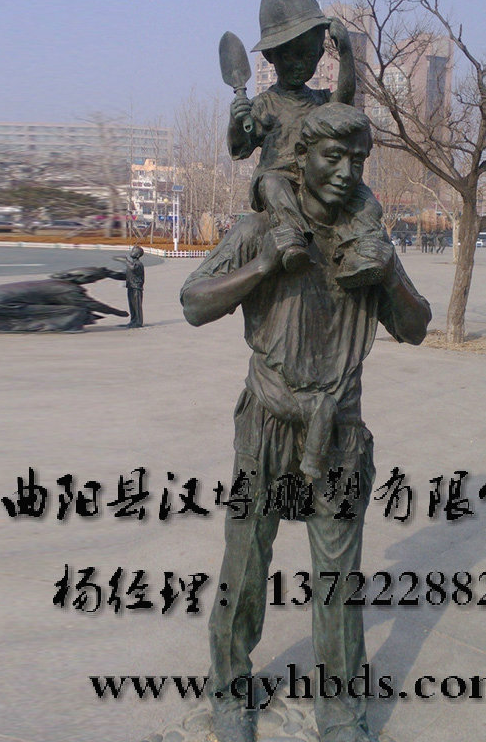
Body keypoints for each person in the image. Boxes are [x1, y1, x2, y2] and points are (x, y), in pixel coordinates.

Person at [181, 103, 431, 742]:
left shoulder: (367, 240)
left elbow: (416, 326)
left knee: (338, 580)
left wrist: (390, 276)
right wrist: (265, 265)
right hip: (266, 426)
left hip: (338, 432)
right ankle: (229, 692)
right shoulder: (259, 230)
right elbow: (193, 302)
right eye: (332, 156)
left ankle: (341, 713)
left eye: (357, 159)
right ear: (303, 158)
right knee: (245, 565)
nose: (346, 171)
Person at [227, 0, 390, 289]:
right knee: (273, 184)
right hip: (278, 179)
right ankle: (292, 238)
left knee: (364, 197)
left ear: (319, 53)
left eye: (308, 55)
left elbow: (345, 100)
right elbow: (240, 149)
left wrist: (346, 52)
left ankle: (365, 250)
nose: (300, 64)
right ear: (272, 57)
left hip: (319, 182)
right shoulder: (265, 104)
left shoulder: (321, 101)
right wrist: (238, 122)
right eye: (290, 56)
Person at [0, 268, 129, 332]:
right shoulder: (66, 290)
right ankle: (55, 328)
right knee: (75, 311)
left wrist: (111, 274)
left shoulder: (48, 283)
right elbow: (90, 304)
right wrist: (119, 313)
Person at [111, 245, 145, 327]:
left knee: (137, 305)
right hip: (131, 286)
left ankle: (138, 322)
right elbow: (127, 274)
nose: (131, 252)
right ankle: (133, 320)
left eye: (134, 251)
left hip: (136, 288)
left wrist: (125, 260)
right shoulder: (132, 264)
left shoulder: (138, 264)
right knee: (132, 305)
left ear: (138, 255)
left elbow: (132, 268)